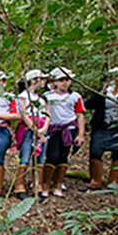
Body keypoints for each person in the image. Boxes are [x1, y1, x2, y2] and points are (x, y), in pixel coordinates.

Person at [83, 67, 118, 191]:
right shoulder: (103, 91)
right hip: (101, 126)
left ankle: (114, 182)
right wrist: (100, 93)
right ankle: (95, 181)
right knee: (95, 152)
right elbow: (88, 105)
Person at [42, 67, 86, 198]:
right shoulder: (47, 96)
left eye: (67, 80)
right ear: (55, 82)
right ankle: (46, 184)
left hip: (69, 129)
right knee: (52, 156)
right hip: (53, 129)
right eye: (61, 80)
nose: (64, 83)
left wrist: (81, 134)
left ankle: (58, 184)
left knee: (63, 156)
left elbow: (80, 115)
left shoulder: (75, 97)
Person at [12, 69, 50, 199]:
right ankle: (19, 186)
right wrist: (34, 129)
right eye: (41, 79)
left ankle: (37, 186)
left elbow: (47, 114)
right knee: (25, 157)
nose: (44, 82)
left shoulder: (42, 98)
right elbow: (23, 114)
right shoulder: (23, 97)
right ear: (33, 81)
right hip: (28, 130)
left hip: (42, 129)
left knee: (40, 159)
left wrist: (44, 128)